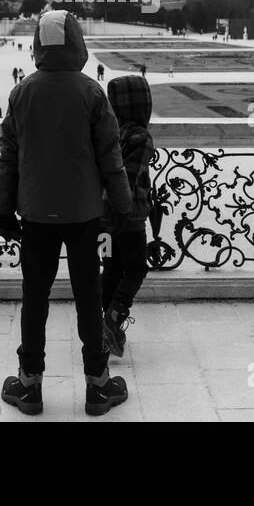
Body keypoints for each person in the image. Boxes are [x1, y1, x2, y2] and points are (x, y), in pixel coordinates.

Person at [0, 10, 132, 417]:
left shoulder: (22, 92)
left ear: (38, 44)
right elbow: (111, 158)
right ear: (76, 42)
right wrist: (122, 206)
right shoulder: (91, 92)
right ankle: (98, 386)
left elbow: (9, 159)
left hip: (36, 214)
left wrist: (3, 210)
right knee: (89, 298)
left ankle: (29, 384)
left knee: (34, 298)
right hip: (84, 214)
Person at [101, 74, 156, 358]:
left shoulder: (110, 131)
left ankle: (105, 325)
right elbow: (129, 180)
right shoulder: (140, 137)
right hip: (129, 218)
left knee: (111, 267)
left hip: (102, 217)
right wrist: (122, 213)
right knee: (136, 268)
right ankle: (113, 317)